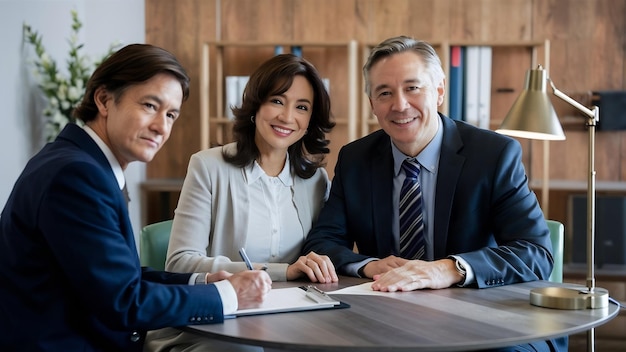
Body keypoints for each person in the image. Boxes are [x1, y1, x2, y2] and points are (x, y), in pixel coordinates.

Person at [301, 36, 567, 351]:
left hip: (484, 322)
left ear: (439, 90)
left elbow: (535, 252)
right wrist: (369, 265)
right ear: (372, 104)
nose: (399, 105)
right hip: (386, 320)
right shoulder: (356, 159)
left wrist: (447, 268)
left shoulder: (493, 155)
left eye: (413, 88)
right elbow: (322, 243)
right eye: (384, 93)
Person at [0, 43, 271, 352]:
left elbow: (116, 276)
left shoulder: (75, 161)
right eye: (149, 106)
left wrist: (203, 282)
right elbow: (123, 301)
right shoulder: (77, 176)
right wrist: (228, 295)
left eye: (171, 114)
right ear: (104, 99)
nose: (161, 127)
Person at [145, 53, 338, 351]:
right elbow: (180, 262)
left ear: (310, 120)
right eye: (277, 100)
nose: (287, 117)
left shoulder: (316, 180)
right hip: (215, 322)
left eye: (302, 107)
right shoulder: (208, 167)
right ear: (256, 104)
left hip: (291, 319)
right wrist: (281, 271)